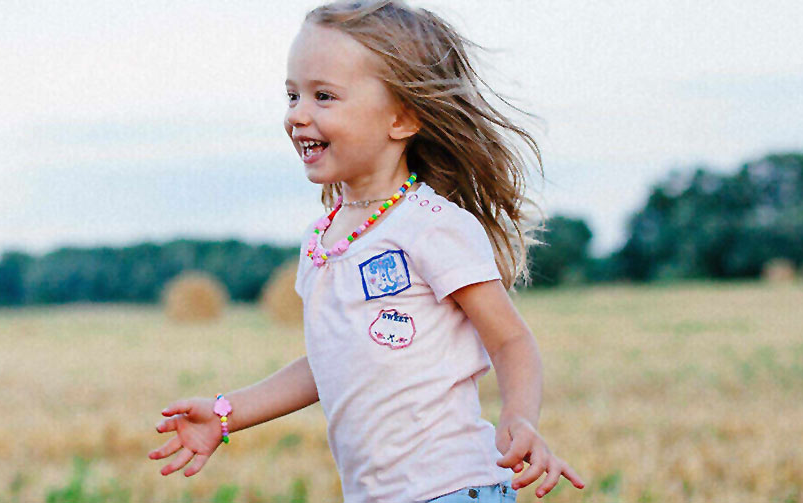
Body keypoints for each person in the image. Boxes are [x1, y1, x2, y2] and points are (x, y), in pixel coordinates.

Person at [148, 1, 586, 501]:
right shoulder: (321, 239)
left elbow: (510, 342)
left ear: (402, 117)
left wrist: (519, 418)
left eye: (324, 96)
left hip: (454, 489)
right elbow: (332, 358)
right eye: (292, 95)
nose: (298, 114)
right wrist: (228, 413)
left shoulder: (432, 227)